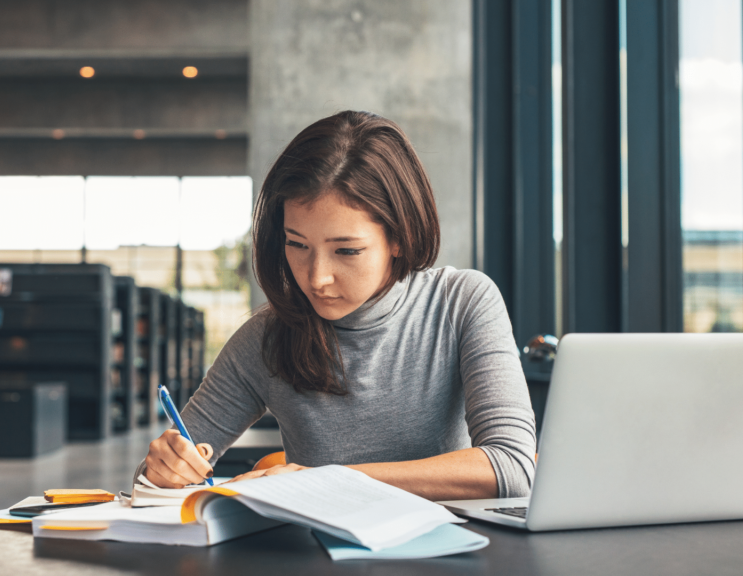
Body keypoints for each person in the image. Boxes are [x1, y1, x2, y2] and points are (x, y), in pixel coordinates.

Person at [142, 111, 536, 501]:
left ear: (399, 237)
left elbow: (512, 467)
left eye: (346, 250)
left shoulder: (461, 302)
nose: (316, 278)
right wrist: (162, 470)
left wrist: (324, 480)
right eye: (297, 244)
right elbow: (150, 484)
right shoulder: (266, 337)